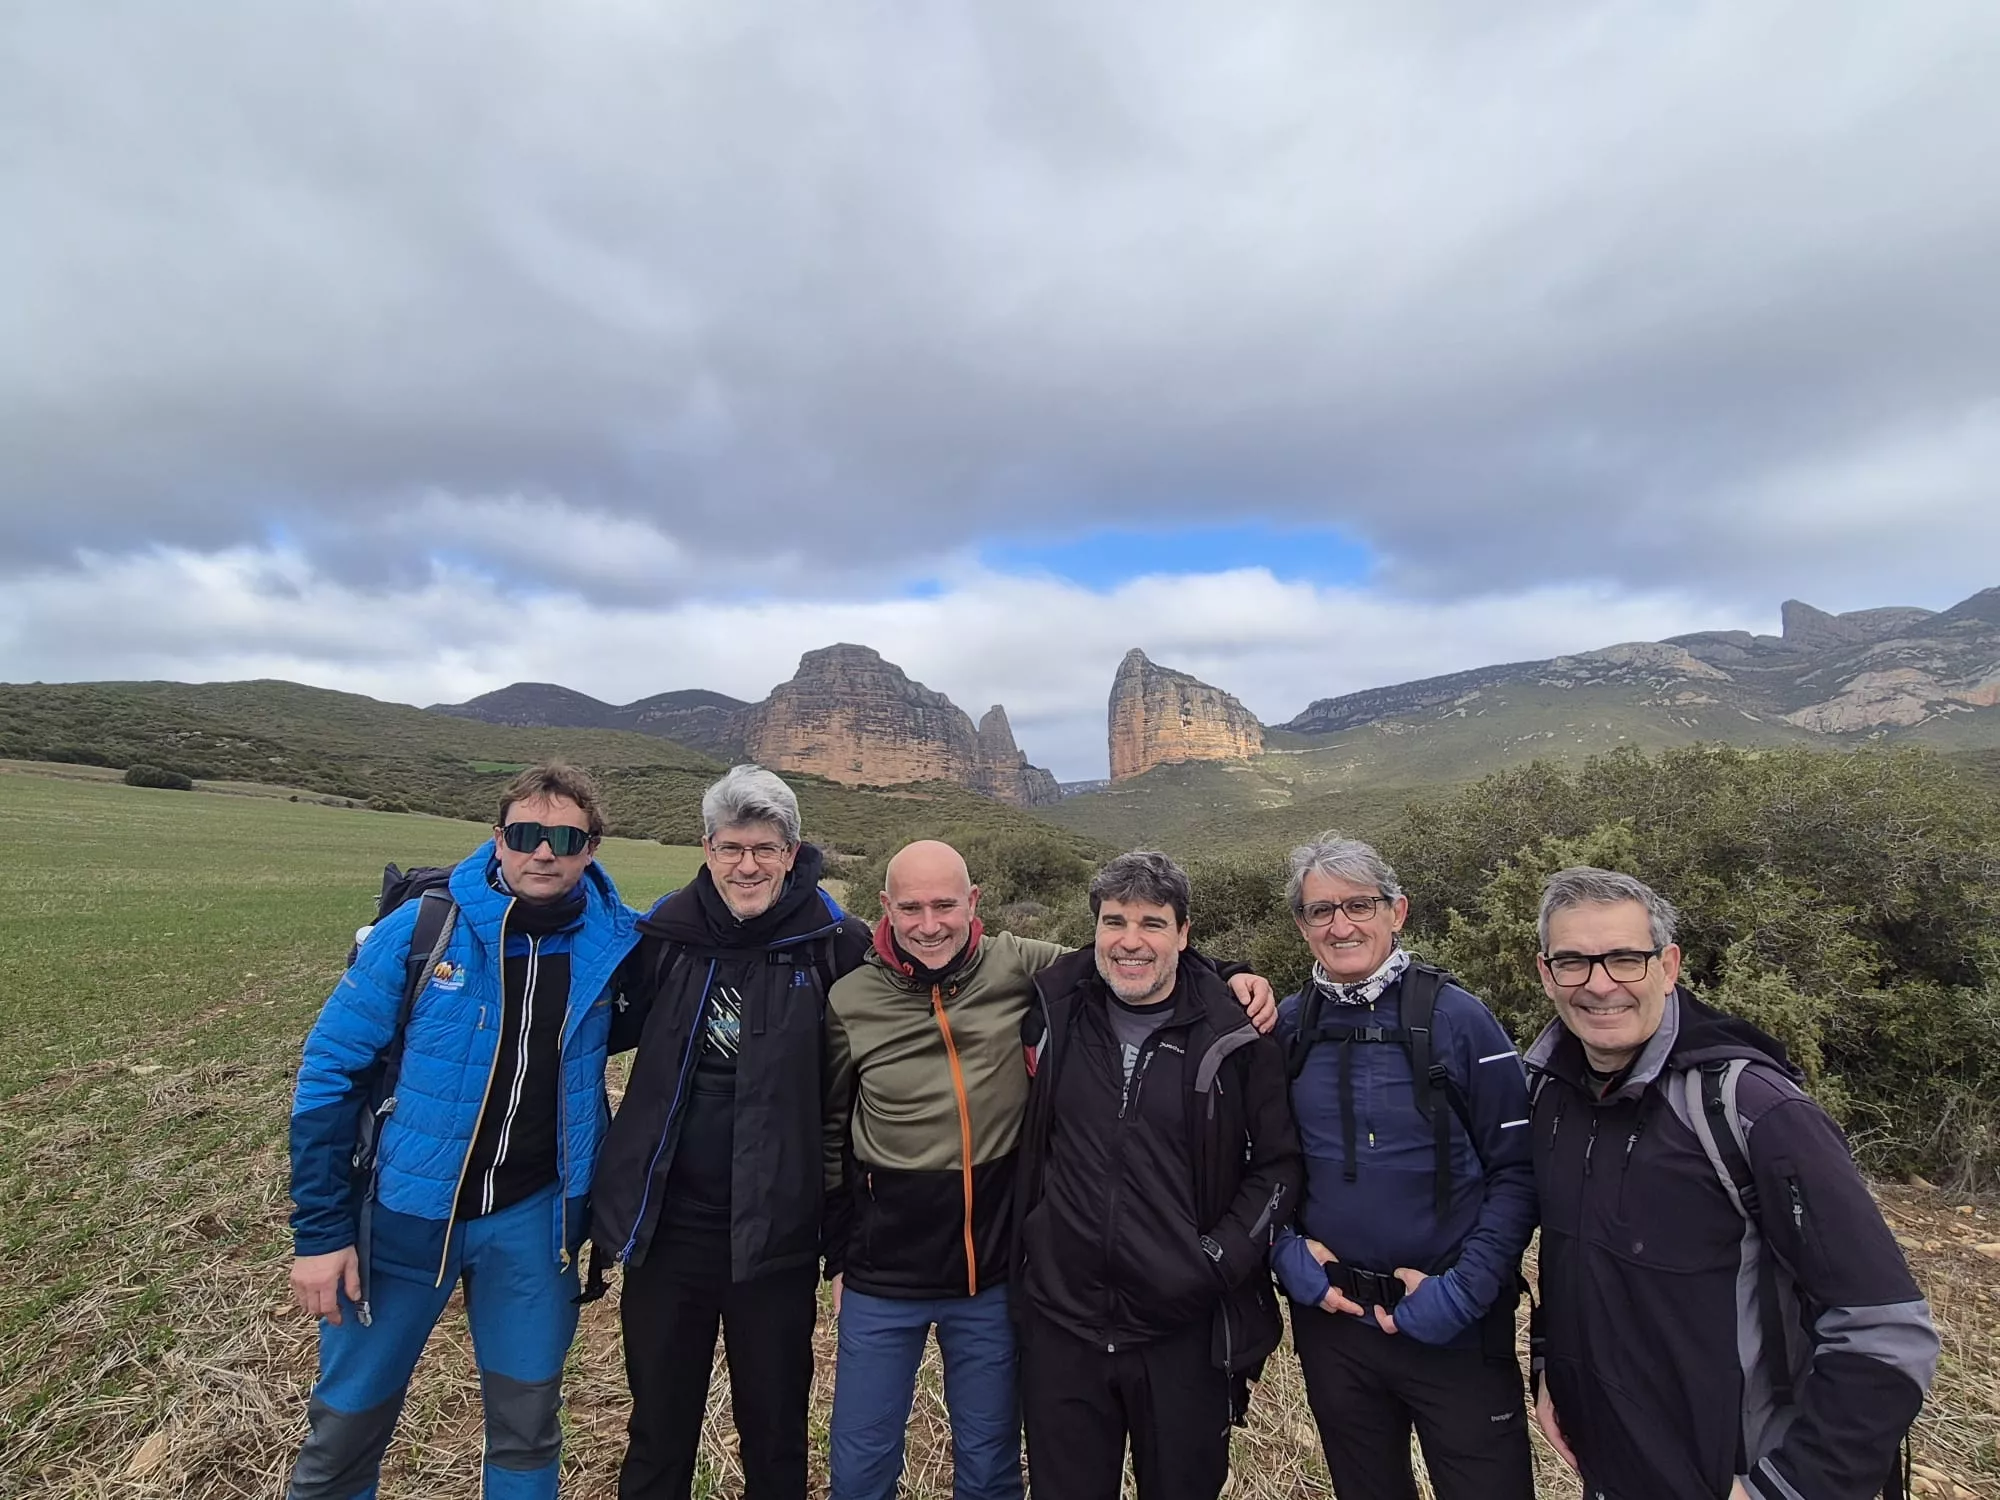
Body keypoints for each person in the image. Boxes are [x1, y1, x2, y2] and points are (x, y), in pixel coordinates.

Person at [821, 840, 1276, 1500]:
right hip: (884, 1273)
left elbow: (1131, 958)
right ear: (884, 908)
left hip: (993, 1274)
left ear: (973, 902)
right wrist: (839, 1253)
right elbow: (830, 1130)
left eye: (945, 904)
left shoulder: (1022, 967)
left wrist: (1232, 973)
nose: (928, 924)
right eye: (910, 908)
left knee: (991, 1463)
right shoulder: (850, 999)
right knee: (861, 1463)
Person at [1525, 866, 1939, 1500]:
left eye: (1625, 960)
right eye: (1574, 962)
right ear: (1546, 974)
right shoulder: (1549, 1093)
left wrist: (1787, 1488)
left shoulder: (1749, 1107)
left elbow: (1886, 1329)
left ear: (1668, 965)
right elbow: (1569, 1253)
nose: (1599, 985)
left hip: (1731, 1475)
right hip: (1611, 1463)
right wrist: (1551, 1366)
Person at [286, 763, 639, 1500]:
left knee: (527, 1425)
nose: (544, 852)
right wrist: (321, 1235)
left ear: (591, 848)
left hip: (534, 1228)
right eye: (526, 834)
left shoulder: (615, 943)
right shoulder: (422, 928)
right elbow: (330, 1073)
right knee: (347, 1426)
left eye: (564, 837)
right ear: (497, 839)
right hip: (401, 1221)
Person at [589, 765, 871, 1500]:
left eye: (765, 849)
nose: (747, 865)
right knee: (657, 1428)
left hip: (775, 1238)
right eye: (732, 847)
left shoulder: (836, 943)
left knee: (776, 1432)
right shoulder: (664, 935)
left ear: (792, 852)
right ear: (708, 848)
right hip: (669, 1232)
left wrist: (1215, 971)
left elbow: (938, 987)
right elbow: (574, 1001)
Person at [1012, 851, 1301, 1500]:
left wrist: (1218, 1259)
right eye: (1114, 921)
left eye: (1153, 922)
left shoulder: (1236, 1032)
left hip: (1182, 1330)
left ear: (1184, 933)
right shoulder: (1057, 1007)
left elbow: (1279, 1166)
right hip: (1064, 1323)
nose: (1131, 941)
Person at [1268, 835, 1537, 1500]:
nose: (1341, 925)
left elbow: (1519, 1172)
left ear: (1398, 911)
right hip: (1335, 1327)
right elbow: (1260, 1166)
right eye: (1320, 911)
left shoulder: (1461, 1020)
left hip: (1455, 1326)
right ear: (1302, 927)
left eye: (1358, 905)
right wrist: (1285, 1257)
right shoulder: (1289, 1028)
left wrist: (1464, 1293)